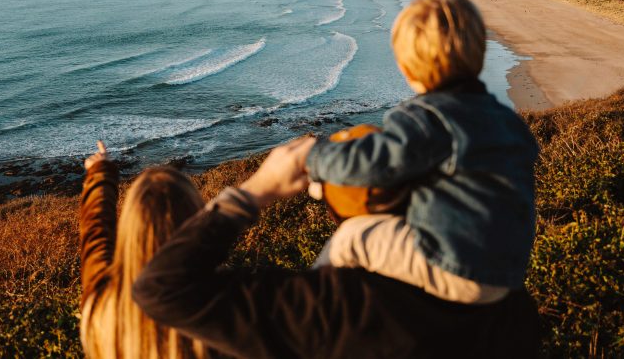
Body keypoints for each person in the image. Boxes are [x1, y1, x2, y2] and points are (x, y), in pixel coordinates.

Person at [131, 137, 540, 358]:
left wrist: (257, 190)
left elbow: (162, 288)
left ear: (331, 207)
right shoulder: (504, 297)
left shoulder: (327, 309)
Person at [306, 0, 540, 303]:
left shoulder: (429, 118)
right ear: (479, 53)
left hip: (458, 266)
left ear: (406, 67)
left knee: (352, 239)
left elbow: (375, 164)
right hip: (508, 271)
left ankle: (313, 309)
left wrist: (315, 158)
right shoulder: (506, 120)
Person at [79, 141, 209, 359]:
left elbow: (95, 231)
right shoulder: (218, 309)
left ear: (129, 225)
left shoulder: (101, 302)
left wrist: (100, 173)